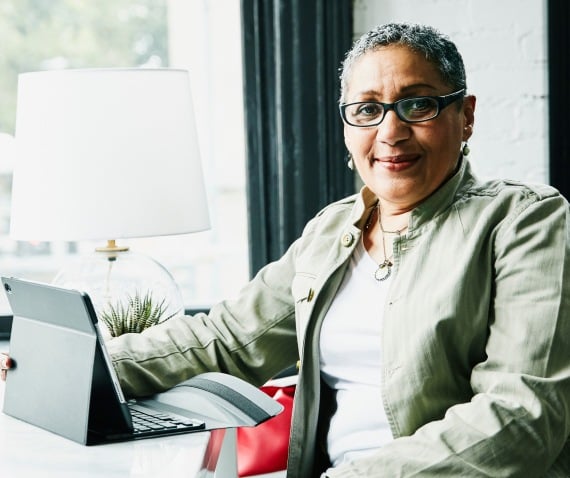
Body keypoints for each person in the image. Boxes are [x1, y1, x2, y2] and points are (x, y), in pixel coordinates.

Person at [2, 22, 570, 477]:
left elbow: (521, 416)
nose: (390, 132)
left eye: (417, 105)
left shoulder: (526, 222)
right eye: (368, 109)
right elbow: (226, 338)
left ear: (464, 116)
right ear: (348, 126)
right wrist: (79, 365)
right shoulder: (332, 232)